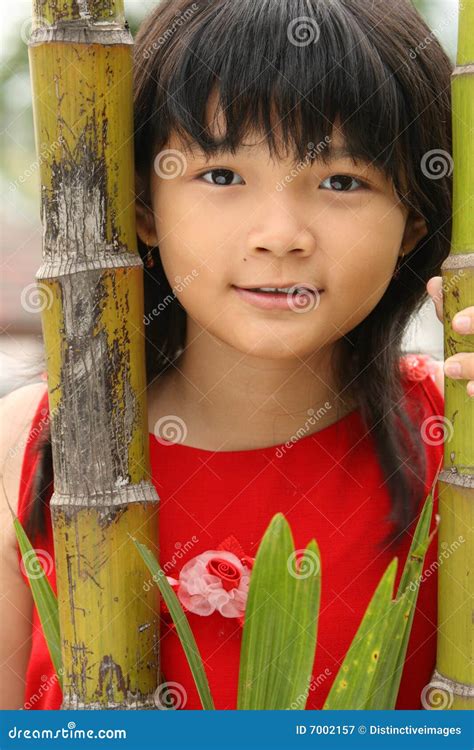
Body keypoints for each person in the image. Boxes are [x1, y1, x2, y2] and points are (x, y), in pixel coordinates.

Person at [1, 0, 473, 711]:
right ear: (143, 207)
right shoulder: (28, 445)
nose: (280, 235)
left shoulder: (456, 433)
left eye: (342, 181)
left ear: (413, 223)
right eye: (222, 176)